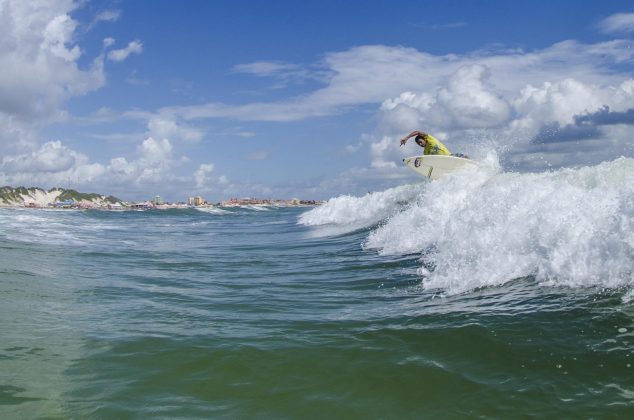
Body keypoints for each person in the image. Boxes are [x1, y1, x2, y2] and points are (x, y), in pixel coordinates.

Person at [399, 130, 468, 158]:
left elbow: (417, 132)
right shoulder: (425, 152)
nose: (420, 144)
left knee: (464, 156)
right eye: (418, 144)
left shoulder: (430, 139)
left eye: (420, 142)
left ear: (424, 139)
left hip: (451, 157)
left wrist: (406, 138)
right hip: (442, 163)